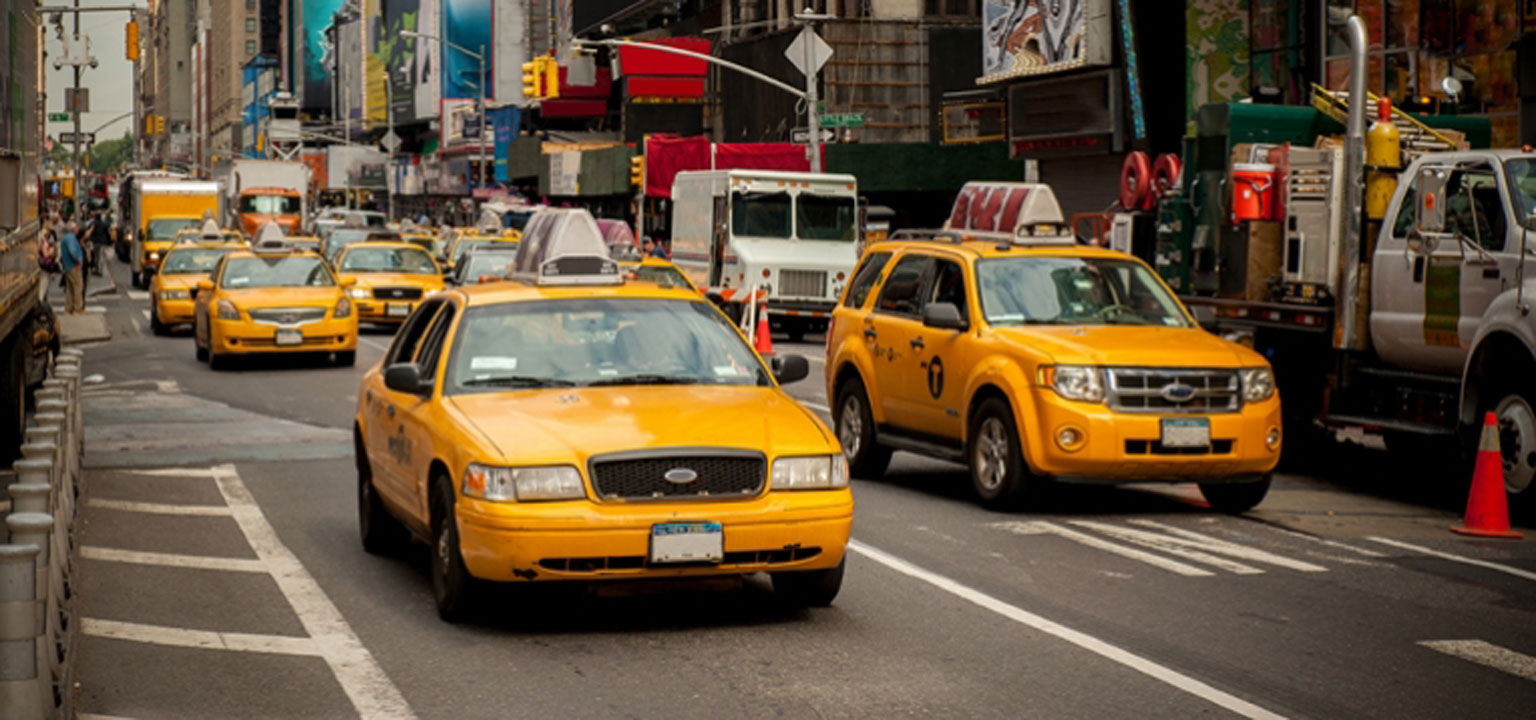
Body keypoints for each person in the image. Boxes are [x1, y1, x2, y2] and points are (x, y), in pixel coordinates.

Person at [59, 221, 85, 314]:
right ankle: (77, 309)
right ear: (73, 229)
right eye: (76, 228)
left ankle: (68, 308)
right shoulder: (71, 238)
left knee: (70, 289)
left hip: (67, 265)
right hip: (73, 266)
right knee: (78, 287)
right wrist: (78, 260)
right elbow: (72, 251)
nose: (78, 229)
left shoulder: (66, 238)